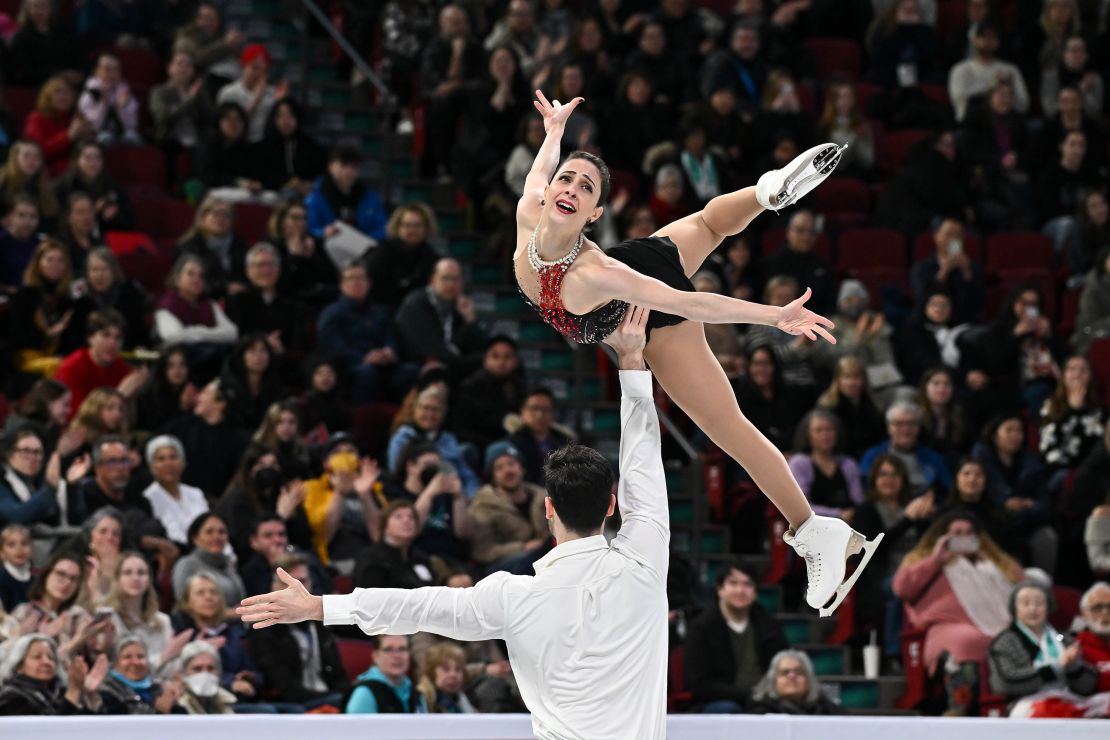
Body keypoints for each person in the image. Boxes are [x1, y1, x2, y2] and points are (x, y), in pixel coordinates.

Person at [510, 93, 874, 614]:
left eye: (586, 188)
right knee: (706, 224)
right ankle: (768, 191)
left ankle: (814, 532)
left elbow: (687, 301)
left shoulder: (595, 273)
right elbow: (540, 171)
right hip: (645, 256)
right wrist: (552, 132)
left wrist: (774, 316)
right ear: (548, 195)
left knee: (729, 430)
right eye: (565, 181)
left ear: (594, 215)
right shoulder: (529, 211)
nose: (570, 188)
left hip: (650, 312)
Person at [239, 308, 674, 738]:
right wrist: (633, 364)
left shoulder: (513, 597)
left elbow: (416, 606)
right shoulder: (645, 562)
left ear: (547, 509)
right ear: (612, 506)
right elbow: (644, 464)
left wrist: (321, 606)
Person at [892, 512, 1024, 714]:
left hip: (999, 626)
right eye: (957, 533)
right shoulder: (924, 560)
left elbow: (1024, 588)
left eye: (970, 533)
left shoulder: (995, 563)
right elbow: (902, 588)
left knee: (1014, 640)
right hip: (946, 628)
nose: (964, 537)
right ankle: (959, 708)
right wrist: (936, 560)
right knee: (967, 641)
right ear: (943, 536)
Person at [684, 559, 789, 713]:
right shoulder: (701, 628)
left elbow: (783, 662)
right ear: (720, 589)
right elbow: (699, 684)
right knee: (730, 708)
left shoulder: (768, 625)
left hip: (764, 700)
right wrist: (746, 695)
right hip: (719, 702)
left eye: (748, 584)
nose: (741, 590)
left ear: (755, 591)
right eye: (733, 583)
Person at [988, 580, 1104, 717]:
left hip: (1068, 698)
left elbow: (1088, 686)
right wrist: (1055, 667)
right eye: (1026, 603)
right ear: (1015, 608)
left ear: (1049, 607)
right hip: (1026, 703)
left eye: (1039, 604)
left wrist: (1074, 666)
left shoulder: (1061, 638)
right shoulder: (1007, 640)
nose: (1033, 609)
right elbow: (1005, 683)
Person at [246, 554, 347, 708]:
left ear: (312, 584)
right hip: (293, 705)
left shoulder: (320, 624)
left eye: (303, 582)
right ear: (274, 588)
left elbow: (339, 675)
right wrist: (336, 699)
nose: (296, 591)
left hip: (330, 698)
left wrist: (349, 694)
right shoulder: (264, 629)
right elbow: (284, 687)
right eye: (286, 584)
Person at [316, 261, 415, 404]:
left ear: (369, 284)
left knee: (409, 371)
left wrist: (390, 350)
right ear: (341, 285)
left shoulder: (379, 311)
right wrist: (364, 358)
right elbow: (333, 348)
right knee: (366, 373)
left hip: (383, 364)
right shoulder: (332, 314)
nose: (356, 282)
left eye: (361, 278)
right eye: (350, 278)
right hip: (351, 365)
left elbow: (391, 336)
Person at [374, 441, 471, 563]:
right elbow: (410, 530)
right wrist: (429, 494)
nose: (433, 470)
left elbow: (463, 534)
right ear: (411, 467)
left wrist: (458, 496)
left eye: (437, 466)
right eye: (428, 465)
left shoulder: (444, 496)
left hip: (453, 559)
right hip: (418, 560)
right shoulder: (395, 494)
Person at [395, 257, 489, 379]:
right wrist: (463, 362)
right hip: (420, 364)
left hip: (452, 364)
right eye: (445, 278)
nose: (451, 284)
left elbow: (476, 345)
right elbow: (427, 347)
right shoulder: (416, 304)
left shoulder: (459, 306)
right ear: (432, 281)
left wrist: (470, 319)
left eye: (456, 279)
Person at [469, 441, 549, 570]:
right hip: (502, 566)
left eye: (511, 464)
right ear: (493, 476)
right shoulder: (482, 505)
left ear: (522, 468)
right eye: (499, 468)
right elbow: (483, 551)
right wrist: (523, 547)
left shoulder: (542, 497)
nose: (507, 471)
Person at [54, 308, 149, 416]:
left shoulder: (122, 368)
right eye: (105, 335)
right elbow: (77, 419)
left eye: (118, 338)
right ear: (90, 338)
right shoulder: (71, 368)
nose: (112, 343)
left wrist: (134, 395)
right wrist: (119, 396)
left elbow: (129, 422)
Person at [102, 552, 180, 671]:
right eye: (128, 573)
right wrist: (162, 658)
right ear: (118, 579)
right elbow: (117, 667)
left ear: (149, 580)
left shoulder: (163, 621)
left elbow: (171, 668)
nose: (135, 578)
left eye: (141, 573)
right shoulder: (109, 619)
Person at [1, 428, 89, 529]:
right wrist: (50, 488)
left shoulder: (46, 481)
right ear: (9, 455)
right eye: (25, 451)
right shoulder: (2, 483)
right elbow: (16, 517)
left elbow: (78, 521)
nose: (32, 457)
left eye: (37, 452)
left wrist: (72, 487)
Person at [0, 634, 107, 714]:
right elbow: (49, 733)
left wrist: (90, 695)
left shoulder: (61, 691)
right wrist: (73, 692)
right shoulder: (10, 697)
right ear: (19, 665)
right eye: (37, 656)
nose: (46, 662)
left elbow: (94, 730)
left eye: (51, 657)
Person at [452, 337, 528, 449]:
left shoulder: (519, 386)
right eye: (495, 356)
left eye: (507, 357)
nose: (501, 362)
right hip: (479, 444)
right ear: (485, 359)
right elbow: (461, 428)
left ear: (516, 361)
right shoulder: (471, 386)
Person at [67, 248, 149, 351]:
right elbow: (74, 339)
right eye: (94, 270)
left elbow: (139, 334)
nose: (99, 275)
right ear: (87, 274)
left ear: (114, 272)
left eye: (104, 269)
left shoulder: (130, 297)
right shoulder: (80, 302)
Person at [788, 409, 863, 521]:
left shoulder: (848, 463)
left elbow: (859, 501)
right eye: (818, 430)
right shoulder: (799, 463)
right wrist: (838, 514)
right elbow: (802, 506)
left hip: (849, 525)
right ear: (808, 436)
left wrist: (854, 513)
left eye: (829, 429)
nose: (825, 434)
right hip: (814, 526)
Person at [947, 21, 1029, 122]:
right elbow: (959, 100)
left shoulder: (1010, 69)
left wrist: (1009, 91)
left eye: (993, 37)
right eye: (984, 36)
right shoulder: (960, 69)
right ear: (975, 40)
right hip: (972, 124)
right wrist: (993, 86)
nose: (988, 40)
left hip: (1006, 123)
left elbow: (1023, 104)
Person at [365, 203, 441, 312]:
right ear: (398, 227)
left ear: (426, 228)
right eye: (407, 225)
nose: (413, 230)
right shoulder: (381, 253)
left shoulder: (432, 259)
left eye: (418, 225)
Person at [305, 146, 386, 244]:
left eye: (354, 167)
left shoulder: (370, 198)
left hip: (364, 250)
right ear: (330, 167)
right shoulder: (314, 198)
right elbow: (309, 228)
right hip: (325, 250)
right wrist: (323, 232)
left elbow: (382, 228)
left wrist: (363, 240)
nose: (349, 172)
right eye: (344, 165)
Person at [352, 501, 438, 590]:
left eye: (411, 517)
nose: (406, 521)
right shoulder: (371, 556)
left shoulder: (420, 557)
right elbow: (368, 592)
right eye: (398, 516)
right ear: (385, 526)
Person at [142, 435, 209, 548]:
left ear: (183, 462)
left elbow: (210, 527)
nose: (168, 464)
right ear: (151, 467)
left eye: (173, 457)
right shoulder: (147, 499)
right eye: (161, 459)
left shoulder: (196, 493)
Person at [216, 44, 286, 143]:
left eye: (264, 70)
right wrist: (256, 98)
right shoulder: (228, 92)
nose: (258, 74)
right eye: (254, 68)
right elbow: (231, 126)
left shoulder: (273, 93)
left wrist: (281, 103)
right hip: (238, 145)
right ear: (244, 66)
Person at [97, 635, 182, 715]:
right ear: (115, 663)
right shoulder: (107, 691)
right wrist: (157, 710)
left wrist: (176, 703)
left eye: (140, 657)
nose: (136, 662)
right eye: (127, 657)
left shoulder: (159, 688)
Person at [171, 514, 244, 606]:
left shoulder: (228, 563)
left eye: (221, 532)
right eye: (209, 532)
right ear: (195, 538)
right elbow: (184, 605)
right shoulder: (186, 564)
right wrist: (233, 614)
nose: (216, 537)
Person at [344, 634, 426, 714]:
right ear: (376, 656)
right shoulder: (364, 694)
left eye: (402, 649)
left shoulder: (416, 693)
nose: (397, 655)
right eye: (388, 649)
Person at [747, 649, 845, 715]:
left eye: (798, 672)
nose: (792, 676)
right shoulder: (760, 713)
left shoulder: (825, 708)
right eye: (785, 672)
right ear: (773, 681)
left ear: (809, 680)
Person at [506, 387, 571, 485]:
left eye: (545, 410)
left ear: (553, 414)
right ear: (522, 412)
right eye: (533, 408)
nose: (539, 415)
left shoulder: (565, 442)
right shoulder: (511, 445)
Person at [77, 54, 141, 146]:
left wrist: (122, 108)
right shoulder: (89, 93)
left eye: (116, 70)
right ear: (97, 71)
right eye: (107, 69)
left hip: (121, 134)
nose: (111, 74)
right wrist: (104, 104)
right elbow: (92, 127)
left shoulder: (126, 93)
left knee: (133, 137)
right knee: (105, 137)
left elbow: (132, 126)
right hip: (96, 135)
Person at [174, 640, 238, 714]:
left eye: (210, 668)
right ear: (184, 673)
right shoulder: (176, 705)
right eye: (197, 669)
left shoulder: (227, 701)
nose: (205, 674)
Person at [1075, 582, 1110, 692]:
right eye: (1097, 607)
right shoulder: (1075, 646)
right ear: (1084, 614)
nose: (1105, 612)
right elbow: (1085, 689)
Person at [0, 524, 33, 612]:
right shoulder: (2, 579)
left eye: (24, 543)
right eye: (11, 545)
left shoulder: (36, 576)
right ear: (2, 553)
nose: (19, 549)